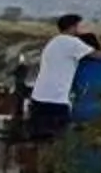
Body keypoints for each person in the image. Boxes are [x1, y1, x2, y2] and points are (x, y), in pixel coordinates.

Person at [26, 14, 91, 146]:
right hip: (56, 100)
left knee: (38, 142)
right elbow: (97, 55)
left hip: (39, 98)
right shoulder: (72, 42)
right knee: (58, 142)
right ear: (73, 27)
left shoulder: (53, 42)